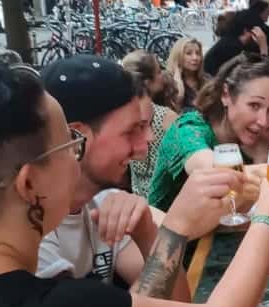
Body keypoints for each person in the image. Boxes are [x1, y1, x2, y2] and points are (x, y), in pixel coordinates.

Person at [0, 62, 269, 307]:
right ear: (29, 184)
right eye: (71, 146)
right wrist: (268, 216)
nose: (77, 159)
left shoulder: (99, 210)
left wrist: (148, 233)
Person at [36, 55, 183, 294]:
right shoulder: (33, 231)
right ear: (76, 140)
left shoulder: (103, 204)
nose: (147, 142)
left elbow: (177, 305)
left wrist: (147, 233)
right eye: (131, 131)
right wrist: (179, 224)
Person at [150, 53, 269, 212]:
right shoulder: (189, 128)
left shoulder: (246, 134)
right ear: (226, 95)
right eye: (254, 105)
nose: (264, 121)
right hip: (163, 233)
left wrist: (260, 156)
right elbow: (211, 170)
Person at [122, 50, 180, 199]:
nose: (163, 75)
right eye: (159, 71)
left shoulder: (125, 113)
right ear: (147, 83)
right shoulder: (167, 117)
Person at [203, 10, 269, 76]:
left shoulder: (230, 42)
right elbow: (260, 75)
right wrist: (263, 47)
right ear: (246, 30)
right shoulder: (232, 48)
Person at [167, 38, 207, 111]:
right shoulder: (169, 83)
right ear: (178, 56)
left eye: (198, 53)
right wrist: (179, 83)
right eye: (189, 53)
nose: (195, 58)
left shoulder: (206, 80)